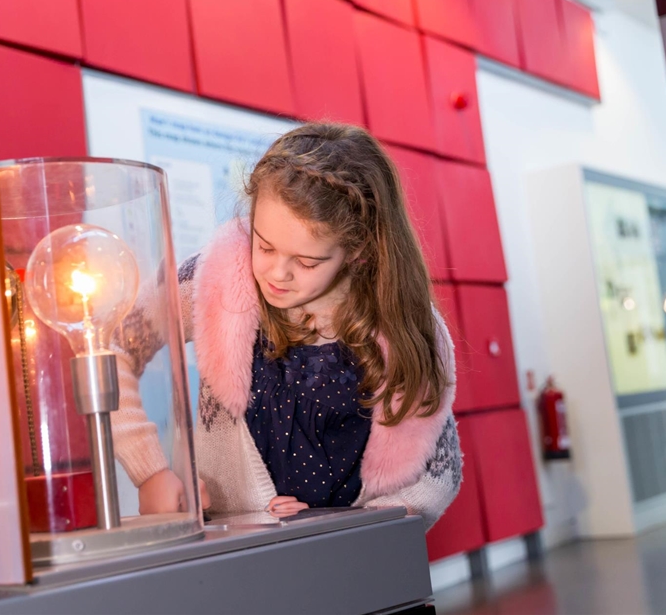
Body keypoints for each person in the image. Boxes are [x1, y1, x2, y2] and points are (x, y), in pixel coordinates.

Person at [111, 123, 462, 530]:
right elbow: (113, 346)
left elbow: (441, 472)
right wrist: (150, 470)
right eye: (264, 245)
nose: (277, 273)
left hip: (361, 563)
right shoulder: (212, 278)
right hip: (237, 556)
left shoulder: (406, 322)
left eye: (307, 262)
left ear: (359, 249)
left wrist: (358, 526)